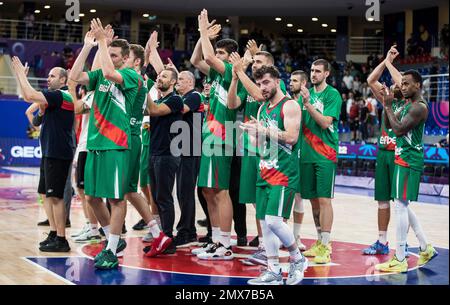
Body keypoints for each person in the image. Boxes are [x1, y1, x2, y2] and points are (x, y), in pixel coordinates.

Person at [69, 19, 140, 269]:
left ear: (123, 58)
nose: (108, 56)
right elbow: (75, 76)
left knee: (116, 198)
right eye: (108, 53)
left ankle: (110, 248)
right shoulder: (99, 76)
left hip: (117, 144)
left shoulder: (131, 76)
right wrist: (89, 46)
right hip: (96, 144)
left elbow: (110, 72)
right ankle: (114, 238)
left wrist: (102, 42)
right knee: (91, 197)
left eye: (113, 54)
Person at [241, 65, 307, 285]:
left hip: (284, 172)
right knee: (264, 223)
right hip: (264, 170)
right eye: (259, 84)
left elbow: (291, 137)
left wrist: (264, 130)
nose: (262, 87)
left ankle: (298, 259)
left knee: (274, 220)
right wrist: (252, 134)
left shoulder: (290, 105)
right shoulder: (262, 109)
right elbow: (261, 143)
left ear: (277, 81)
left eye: (266, 82)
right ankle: (274, 270)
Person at [375, 69, 438, 272]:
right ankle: (425, 246)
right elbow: (388, 125)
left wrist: (387, 105)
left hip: (409, 159)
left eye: (406, 83)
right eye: (401, 83)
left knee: (400, 206)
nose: (402, 86)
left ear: (417, 85)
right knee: (402, 203)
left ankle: (400, 257)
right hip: (401, 157)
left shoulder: (419, 107)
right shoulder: (404, 104)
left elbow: (400, 130)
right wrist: (389, 102)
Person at [190, 10, 240, 260]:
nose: (215, 57)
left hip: (223, 136)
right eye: (217, 52)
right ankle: (216, 239)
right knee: (208, 191)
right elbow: (196, 58)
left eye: (221, 54)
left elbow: (208, 56)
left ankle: (226, 245)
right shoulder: (217, 75)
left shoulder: (231, 71)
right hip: (209, 136)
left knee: (221, 191)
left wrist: (202, 30)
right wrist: (203, 37)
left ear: (230, 58)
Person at [11, 58, 74, 252]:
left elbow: (29, 95)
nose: (48, 78)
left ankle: (62, 239)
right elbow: (30, 104)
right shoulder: (51, 100)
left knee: (56, 197)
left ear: (63, 80)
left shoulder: (61, 95)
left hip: (58, 152)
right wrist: (21, 76)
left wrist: (21, 74)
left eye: (52, 76)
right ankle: (54, 233)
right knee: (46, 193)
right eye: (48, 75)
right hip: (49, 151)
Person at [299, 59, 342, 264]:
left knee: (324, 200)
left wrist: (307, 104)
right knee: (314, 201)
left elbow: (325, 123)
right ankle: (319, 240)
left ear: (326, 74)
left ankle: (326, 244)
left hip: (325, 154)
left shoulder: (332, 95)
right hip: (306, 154)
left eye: (317, 71)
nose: (313, 74)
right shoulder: (303, 96)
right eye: (312, 70)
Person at [363, 46, 405, 255]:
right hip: (383, 152)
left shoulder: (409, 102)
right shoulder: (386, 97)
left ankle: (402, 245)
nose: (397, 84)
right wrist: (385, 59)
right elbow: (371, 80)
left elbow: (401, 81)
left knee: (400, 203)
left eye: (403, 83)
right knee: (382, 201)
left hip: (400, 154)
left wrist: (390, 64)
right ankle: (382, 241)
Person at [146, 67, 184, 255]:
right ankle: (162, 237)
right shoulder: (161, 99)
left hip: (167, 155)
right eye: (159, 76)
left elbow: (152, 110)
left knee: (164, 197)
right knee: (157, 197)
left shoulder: (175, 99)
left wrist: (142, 88)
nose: (160, 78)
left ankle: (168, 239)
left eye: (165, 76)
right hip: (155, 152)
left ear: (174, 82)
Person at [174, 70, 204, 247]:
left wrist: (167, 98)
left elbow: (180, 109)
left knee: (185, 191)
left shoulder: (194, 96)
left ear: (191, 82)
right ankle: (187, 229)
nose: (178, 82)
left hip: (191, 148)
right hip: (182, 148)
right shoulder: (186, 96)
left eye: (181, 79)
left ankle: (187, 231)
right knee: (181, 191)